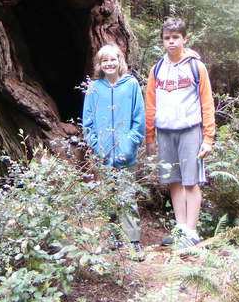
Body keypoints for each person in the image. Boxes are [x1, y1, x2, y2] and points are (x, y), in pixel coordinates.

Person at [145, 18, 215, 248]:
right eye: (167, 38)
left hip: (190, 130)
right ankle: (181, 228)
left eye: (176, 37)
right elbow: (150, 104)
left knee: (191, 181)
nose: (171, 42)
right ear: (162, 41)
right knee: (173, 180)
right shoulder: (157, 69)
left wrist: (208, 138)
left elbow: (207, 103)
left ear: (185, 39)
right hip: (165, 131)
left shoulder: (196, 67)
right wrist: (150, 137)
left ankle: (192, 232)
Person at [82, 44, 146, 261]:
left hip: (126, 154)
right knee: (107, 196)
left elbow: (139, 119)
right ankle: (113, 238)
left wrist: (130, 145)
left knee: (127, 197)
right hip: (103, 154)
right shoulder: (94, 88)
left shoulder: (131, 85)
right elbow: (87, 122)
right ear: (99, 64)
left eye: (113, 59)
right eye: (104, 60)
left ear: (120, 61)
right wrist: (96, 146)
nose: (109, 64)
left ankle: (133, 242)